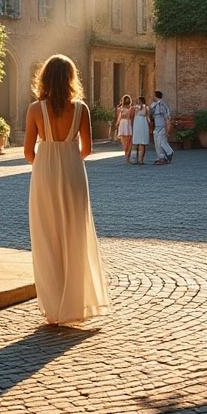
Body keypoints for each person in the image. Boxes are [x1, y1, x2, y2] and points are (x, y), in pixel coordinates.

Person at [23, 54, 110, 325]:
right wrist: (68, 160)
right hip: (74, 174)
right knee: (75, 235)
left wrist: (48, 163)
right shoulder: (81, 109)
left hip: (44, 175)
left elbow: (27, 151)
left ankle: (53, 310)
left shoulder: (35, 109)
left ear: (45, 78)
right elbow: (87, 148)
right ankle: (76, 304)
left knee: (47, 237)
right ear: (71, 78)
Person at [151, 90, 175, 165]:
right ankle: (161, 157)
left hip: (162, 126)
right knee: (157, 143)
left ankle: (169, 152)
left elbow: (167, 117)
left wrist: (168, 127)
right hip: (156, 127)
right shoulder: (154, 105)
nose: (152, 97)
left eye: (153, 95)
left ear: (156, 96)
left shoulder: (162, 105)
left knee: (162, 142)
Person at [131, 95, 151, 165]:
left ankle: (133, 159)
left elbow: (131, 115)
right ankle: (140, 160)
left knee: (135, 142)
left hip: (137, 124)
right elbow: (148, 118)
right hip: (143, 124)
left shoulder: (135, 107)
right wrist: (150, 124)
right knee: (142, 143)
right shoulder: (146, 107)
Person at [115, 95, 135, 163]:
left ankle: (127, 156)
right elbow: (119, 117)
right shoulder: (121, 108)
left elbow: (131, 117)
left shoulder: (130, 108)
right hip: (125, 124)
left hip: (126, 124)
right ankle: (127, 157)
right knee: (126, 142)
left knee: (127, 142)